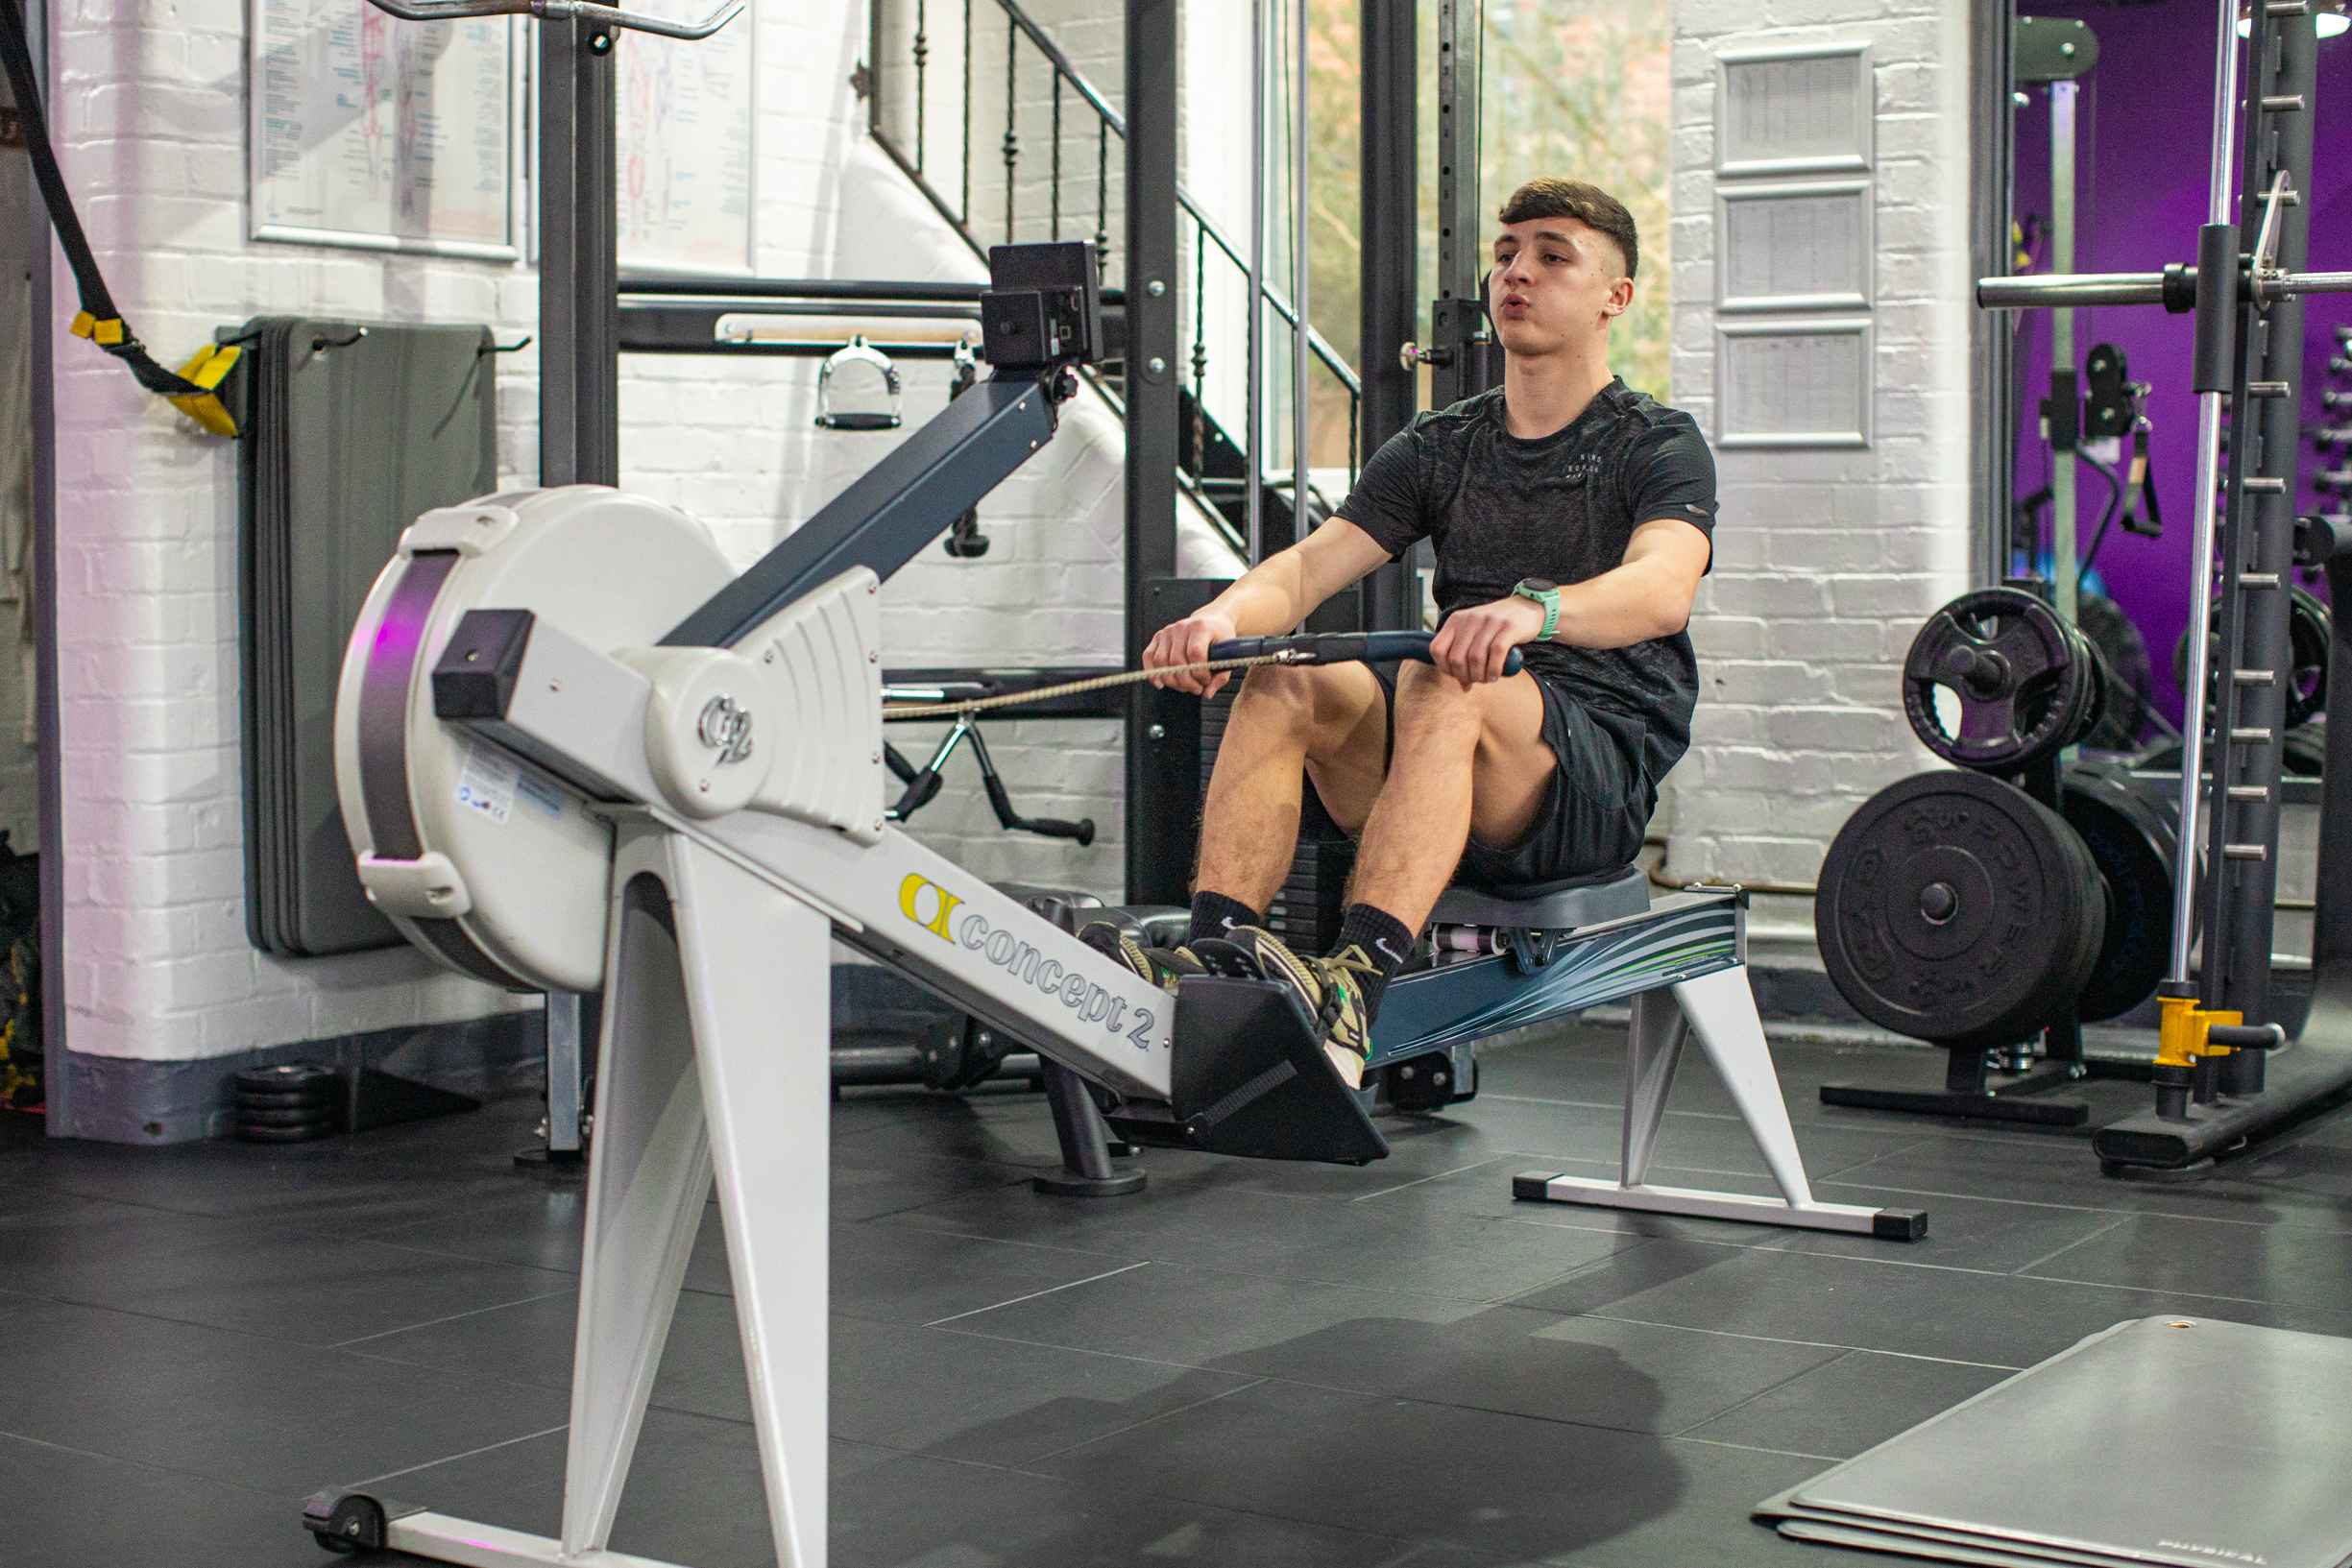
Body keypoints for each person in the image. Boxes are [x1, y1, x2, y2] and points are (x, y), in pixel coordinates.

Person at [1081, 178, 1717, 1090]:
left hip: (1583, 779)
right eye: (1505, 254)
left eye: (1551, 255)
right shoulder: (1442, 444)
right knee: (1288, 670)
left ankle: (1355, 989)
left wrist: (1535, 609)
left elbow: (1662, 588)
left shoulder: (1653, 441)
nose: (1516, 273)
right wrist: (1218, 620)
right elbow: (1306, 570)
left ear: (1614, 297)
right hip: (1447, 752)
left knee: (1438, 673)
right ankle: (1216, 960)